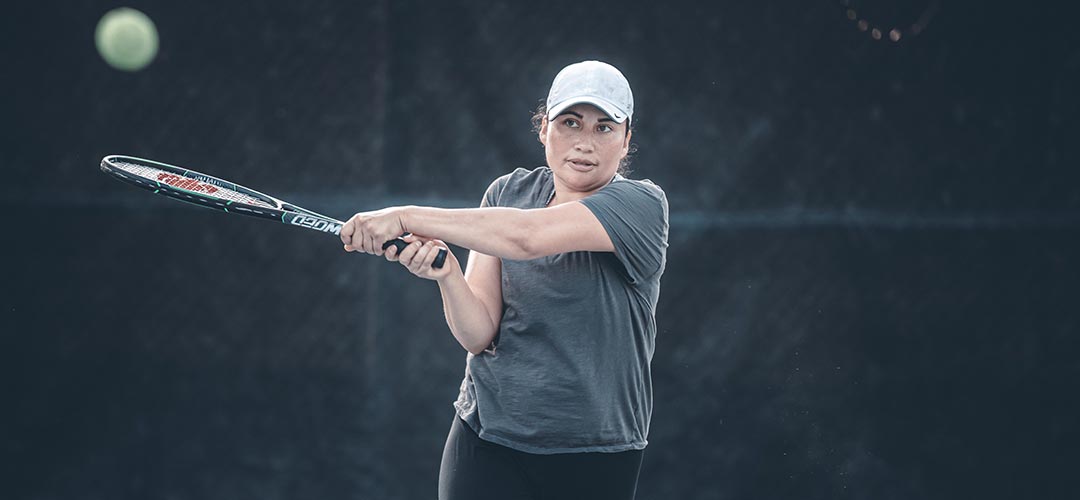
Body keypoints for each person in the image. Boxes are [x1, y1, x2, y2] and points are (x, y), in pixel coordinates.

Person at [340, 60, 668, 500]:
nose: (585, 144)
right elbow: (478, 335)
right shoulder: (506, 195)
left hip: (595, 451)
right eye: (570, 123)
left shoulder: (640, 206)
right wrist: (447, 274)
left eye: (604, 128)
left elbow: (527, 237)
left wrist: (403, 216)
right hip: (486, 438)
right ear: (544, 129)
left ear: (626, 140)